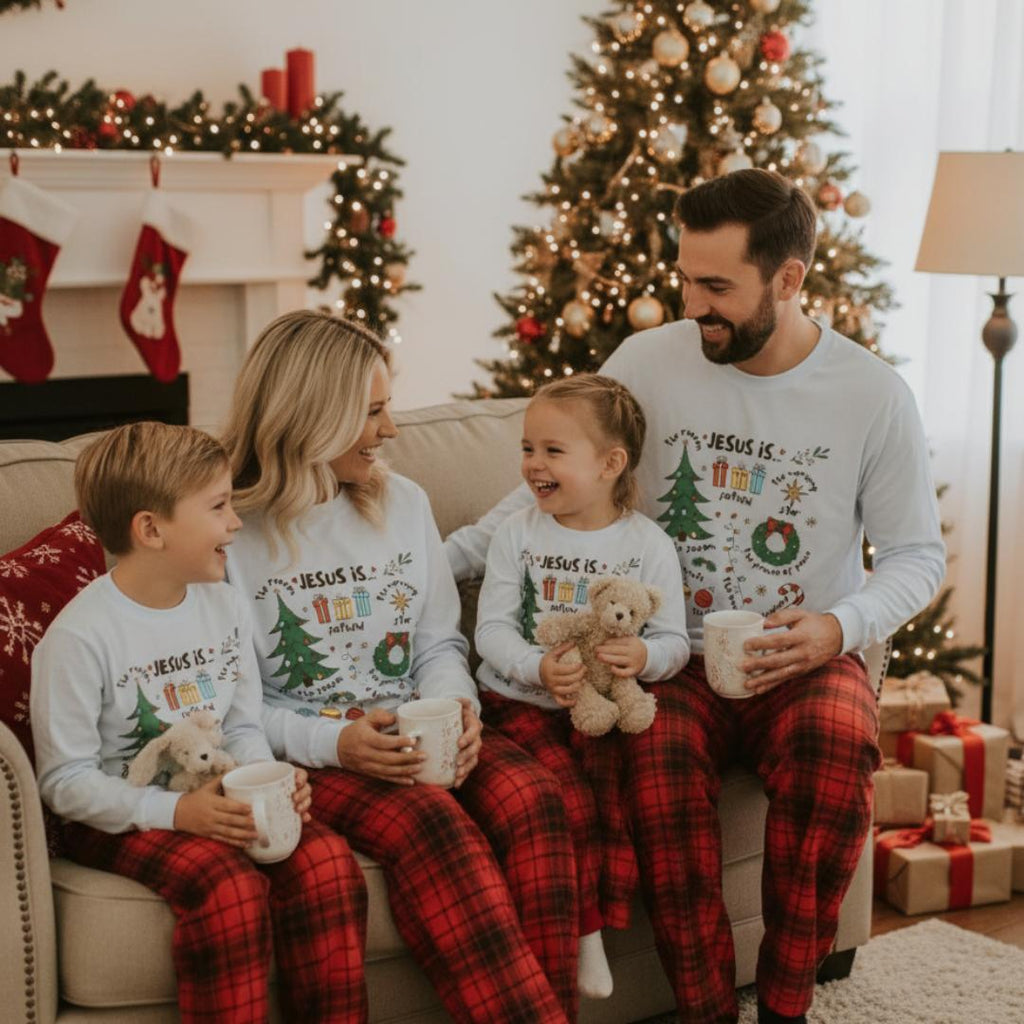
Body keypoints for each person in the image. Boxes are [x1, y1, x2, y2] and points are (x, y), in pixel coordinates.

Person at [445, 168, 946, 1024]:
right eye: (684, 278)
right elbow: (553, 482)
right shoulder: (649, 359)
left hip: (801, 656)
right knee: (652, 762)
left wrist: (837, 627)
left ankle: (785, 1006)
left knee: (834, 748)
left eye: (716, 286)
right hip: (672, 651)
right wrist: (429, 565)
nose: (693, 304)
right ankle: (708, 1008)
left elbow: (915, 557)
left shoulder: (873, 395)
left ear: (787, 280)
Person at [221, 309, 579, 1024]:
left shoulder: (403, 502)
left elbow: (441, 644)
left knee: (536, 801)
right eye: (374, 411)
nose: (391, 430)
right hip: (321, 755)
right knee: (430, 828)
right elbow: (232, 709)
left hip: (421, 727)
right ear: (313, 416)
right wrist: (337, 745)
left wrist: (458, 712)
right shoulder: (230, 534)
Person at [31, 422, 368, 1024]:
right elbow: (65, 783)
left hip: (219, 789)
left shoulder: (224, 604)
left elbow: (240, 725)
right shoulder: (80, 637)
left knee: (325, 863)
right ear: (151, 529)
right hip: (119, 817)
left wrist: (268, 779)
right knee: (229, 891)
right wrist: (177, 813)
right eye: (217, 508)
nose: (236, 523)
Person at [474, 373, 689, 999]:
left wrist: (643, 655)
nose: (532, 465)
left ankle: (597, 914)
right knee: (559, 795)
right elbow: (488, 629)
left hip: (601, 707)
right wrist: (533, 667)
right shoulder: (517, 532)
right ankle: (586, 932)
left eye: (552, 451)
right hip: (517, 703)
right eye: (527, 447)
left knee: (608, 798)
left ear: (609, 464)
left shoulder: (648, 545)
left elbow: (677, 643)